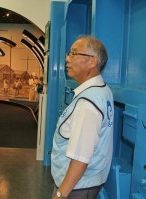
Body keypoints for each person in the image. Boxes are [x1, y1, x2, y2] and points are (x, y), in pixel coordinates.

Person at [51, 36, 114, 199]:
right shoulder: (102, 90)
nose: (67, 58)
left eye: (73, 53)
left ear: (92, 61)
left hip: (76, 188)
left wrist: (60, 194)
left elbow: (80, 159)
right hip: (86, 183)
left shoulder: (87, 103)